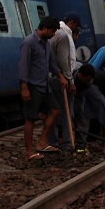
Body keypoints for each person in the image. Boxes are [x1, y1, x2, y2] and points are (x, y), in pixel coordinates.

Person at [18, 16, 67, 160]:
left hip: (45, 85)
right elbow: (23, 66)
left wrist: (60, 76)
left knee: (56, 110)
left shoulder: (46, 43)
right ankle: (29, 152)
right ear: (44, 29)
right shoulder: (29, 43)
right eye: (52, 32)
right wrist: (24, 88)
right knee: (30, 118)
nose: (53, 35)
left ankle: (41, 142)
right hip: (33, 86)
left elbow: (51, 63)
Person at [48, 12, 82, 151]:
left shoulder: (56, 33)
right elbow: (64, 60)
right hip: (61, 78)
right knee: (67, 110)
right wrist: (70, 81)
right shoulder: (63, 35)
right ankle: (68, 143)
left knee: (54, 111)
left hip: (51, 77)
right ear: (72, 23)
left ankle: (53, 142)